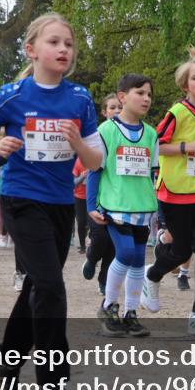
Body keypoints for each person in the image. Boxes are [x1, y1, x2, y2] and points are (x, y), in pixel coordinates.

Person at [0, 12, 102, 390]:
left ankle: (8, 364)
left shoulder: (79, 98)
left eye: (69, 44)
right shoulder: (12, 95)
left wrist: (79, 144)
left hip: (60, 204)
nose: (63, 49)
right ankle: (54, 386)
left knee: (38, 288)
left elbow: (96, 160)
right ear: (31, 50)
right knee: (51, 286)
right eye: (54, 42)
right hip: (20, 200)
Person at [142, 45, 195, 337]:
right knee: (182, 250)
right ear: (185, 85)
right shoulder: (177, 112)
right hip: (175, 191)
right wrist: (185, 147)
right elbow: (155, 145)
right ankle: (153, 274)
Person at [87, 74, 158, 337]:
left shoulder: (151, 134)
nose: (146, 98)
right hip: (115, 206)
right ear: (122, 97)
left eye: (149, 94)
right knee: (126, 252)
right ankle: (108, 306)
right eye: (140, 93)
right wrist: (91, 205)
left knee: (138, 261)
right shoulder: (106, 131)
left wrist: (159, 209)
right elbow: (95, 169)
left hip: (143, 207)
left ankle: (130, 313)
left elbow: (153, 173)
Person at [81, 94, 121, 295]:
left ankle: (104, 281)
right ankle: (91, 257)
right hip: (99, 201)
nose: (117, 111)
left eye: (120, 107)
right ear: (104, 112)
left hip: (119, 202)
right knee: (101, 238)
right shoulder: (99, 135)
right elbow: (93, 171)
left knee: (113, 244)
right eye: (112, 108)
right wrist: (90, 205)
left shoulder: (131, 136)